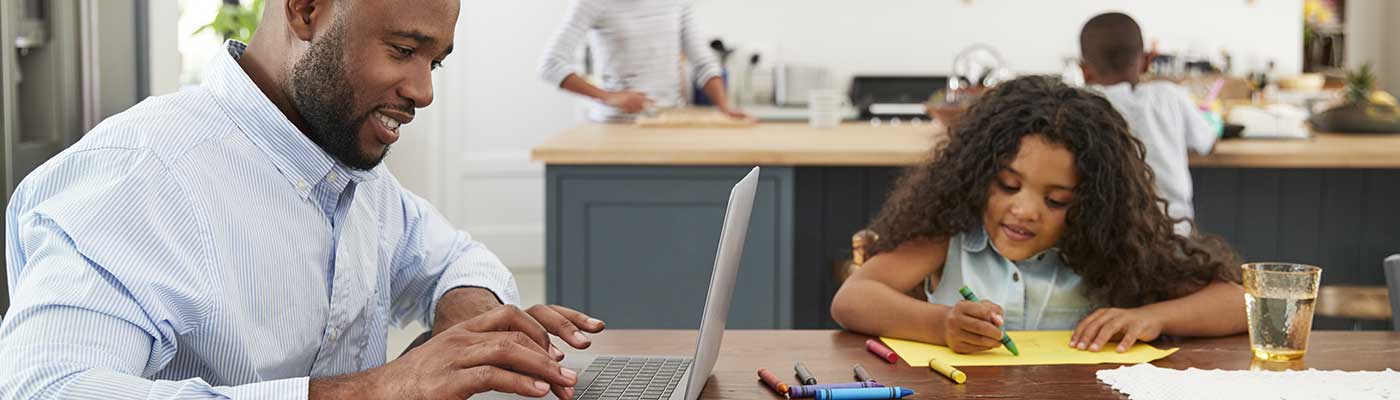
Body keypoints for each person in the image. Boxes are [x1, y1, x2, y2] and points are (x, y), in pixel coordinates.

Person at [0, 1, 601, 399]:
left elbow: (452, 257)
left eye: (434, 62)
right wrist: (375, 389)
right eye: (402, 50)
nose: (423, 92)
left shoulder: (347, 166)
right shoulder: (138, 178)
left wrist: (469, 313)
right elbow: (44, 387)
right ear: (306, 9)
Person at [829, 76, 1246, 355]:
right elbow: (853, 299)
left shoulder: (1112, 248)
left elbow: (1240, 303)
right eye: (1009, 186)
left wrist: (1152, 317)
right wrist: (940, 325)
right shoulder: (951, 237)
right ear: (977, 176)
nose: (1025, 211)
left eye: (1057, 200)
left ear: (1092, 203)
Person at [1079, 12, 1217, 235]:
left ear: (1084, 70)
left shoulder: (1081, 105)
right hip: (1175, 233)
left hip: (1105, 237)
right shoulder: (1170, 96)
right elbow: (1207, 141)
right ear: (1147, 60)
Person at [538, 0, 748, 122]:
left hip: (668, 123)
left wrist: (724, 106)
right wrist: (608, 97)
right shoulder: (592, 3)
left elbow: (703, 62)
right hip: (615, 127)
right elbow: (551, 64)